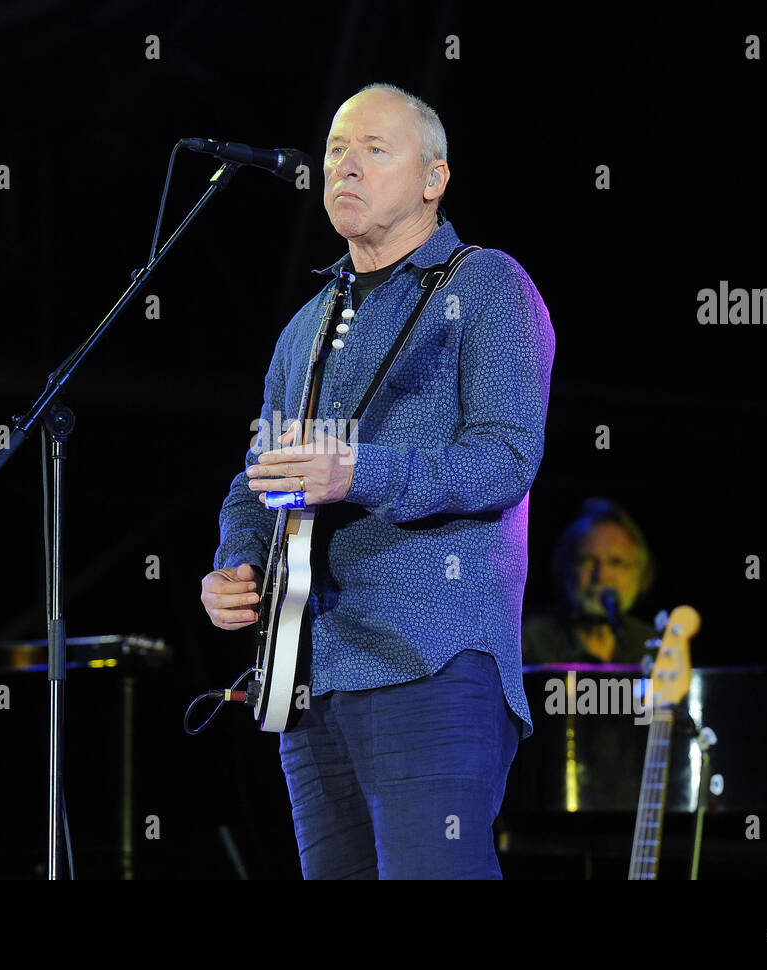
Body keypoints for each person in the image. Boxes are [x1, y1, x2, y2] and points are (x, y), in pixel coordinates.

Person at [199, 82, 555, 879]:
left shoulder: (487, 284)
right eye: (334, 149)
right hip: (309, 675)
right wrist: (236, 561)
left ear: (434, 179)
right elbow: (256, 479)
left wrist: (359, 470)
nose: (345, 166)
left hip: (430, 661)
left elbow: (505, 458)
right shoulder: (306, 326)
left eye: (373, 149)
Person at [521, 498, 658, 666]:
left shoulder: (651, 645)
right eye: (587, 560)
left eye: (616, 562)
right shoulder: (530, 642)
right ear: (565, 568)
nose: (600, 575)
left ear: (640, 573)